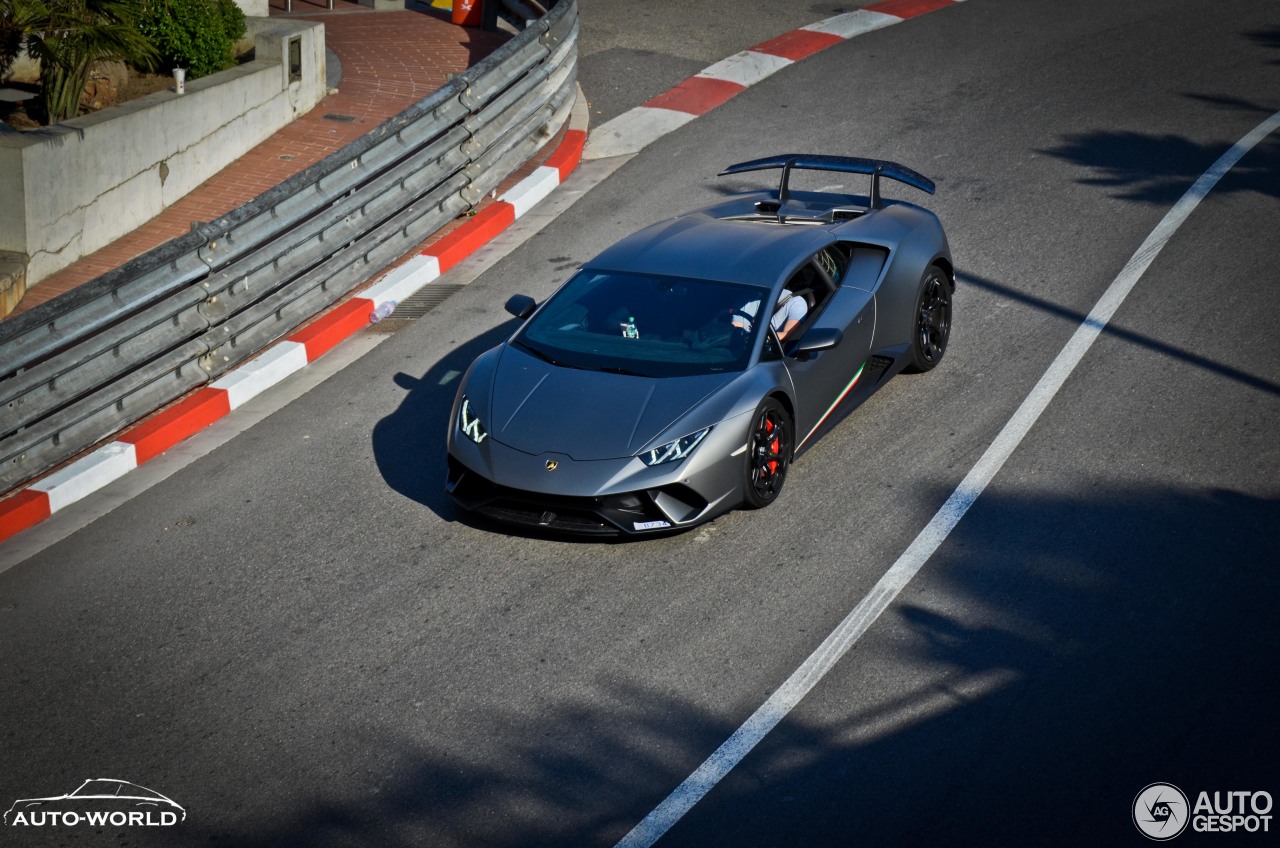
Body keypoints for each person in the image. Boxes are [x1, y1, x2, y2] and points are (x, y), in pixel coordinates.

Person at [731, 289, 808, 340]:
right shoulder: (746, 296)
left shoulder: (796, 303)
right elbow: (736, 326)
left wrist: (758, 339)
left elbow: (787, 335)